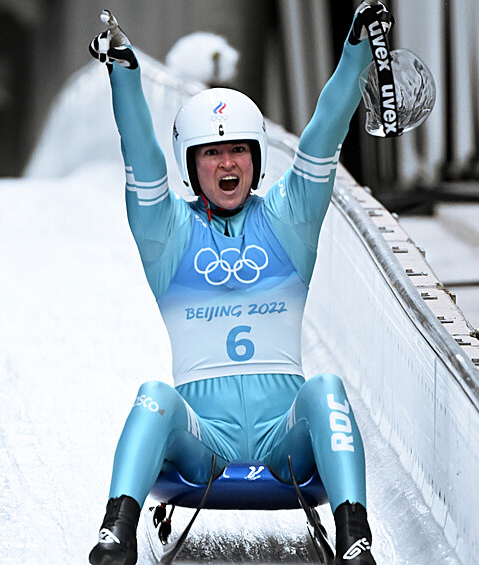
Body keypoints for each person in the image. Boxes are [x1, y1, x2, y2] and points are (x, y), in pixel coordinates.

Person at [87, 3, 387, 564]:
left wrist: (356, 56)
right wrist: (123, 72)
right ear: (192, 164)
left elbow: (323, 134)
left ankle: (356, 540)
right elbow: (141, 158)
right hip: (205, 445)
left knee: (326, 389)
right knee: (155, 396)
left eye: (237, 150)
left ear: (255, 158)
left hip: (284, 442)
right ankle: (115, 534)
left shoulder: (289, 219)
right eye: (212, 153)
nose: (227, 164)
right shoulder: (166, 233)